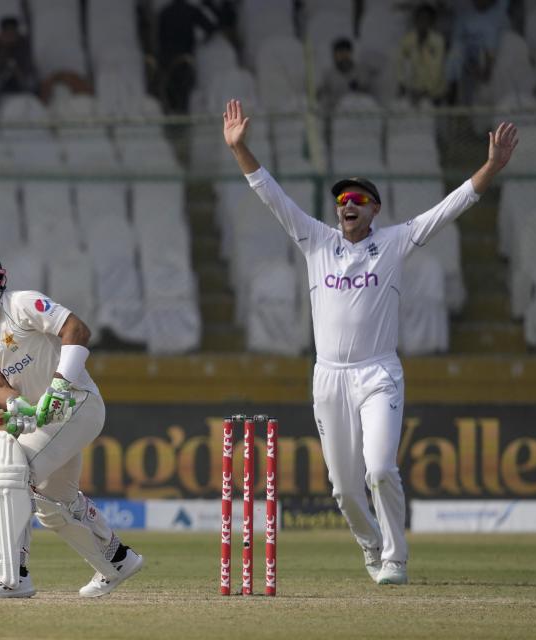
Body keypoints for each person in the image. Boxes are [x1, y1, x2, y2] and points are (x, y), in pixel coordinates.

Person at [222, 98, 518, 585]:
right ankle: (371, 544)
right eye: (342, 201)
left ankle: (396, 558)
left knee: (380, 468)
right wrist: (240, 149)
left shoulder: (396, 242)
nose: (348, 206)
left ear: (374, 209)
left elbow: (453, 205)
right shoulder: (316, 240)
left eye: (358, 200)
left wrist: (490, 166)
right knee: (343, 489)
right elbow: (269, 194)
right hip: (328, 377)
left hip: (378, 373)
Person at [0, 246, 144, 598]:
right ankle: (117, 559)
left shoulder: (21, 304)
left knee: (8, 475)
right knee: (53, 505)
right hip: (43, 422)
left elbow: (77, 330)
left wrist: (60, 384)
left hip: (76, 403)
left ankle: (10, 576)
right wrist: (15, 402)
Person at [396, 2, 446, 105]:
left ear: (432, 22)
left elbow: (436, 70)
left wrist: (425, 91)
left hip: (432, 93)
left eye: (427, 19)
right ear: (415, 20)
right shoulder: (407, 40)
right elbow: (401, 66)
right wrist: (405, 86)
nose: (423, 22)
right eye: (420, 18)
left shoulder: (438, 42)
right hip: (411, 92)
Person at [0, 15, 38, 105]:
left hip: (19, 78)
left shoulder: (23, 42)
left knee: (31, 80)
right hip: (0, 78)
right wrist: (4, 50)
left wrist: (17, 69)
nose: (10, 36)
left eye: (13, 32)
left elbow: (28, 64)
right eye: (7, 32)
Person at [317, 38, 371, 111]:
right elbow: (322, 96)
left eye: (346, 53)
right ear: (335, 55)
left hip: (358, 112)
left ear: (351, 53)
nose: (343, 57)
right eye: (340, 53)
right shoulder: (328, 74)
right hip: (336, 114)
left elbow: (367, 95)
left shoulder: (360, 71)